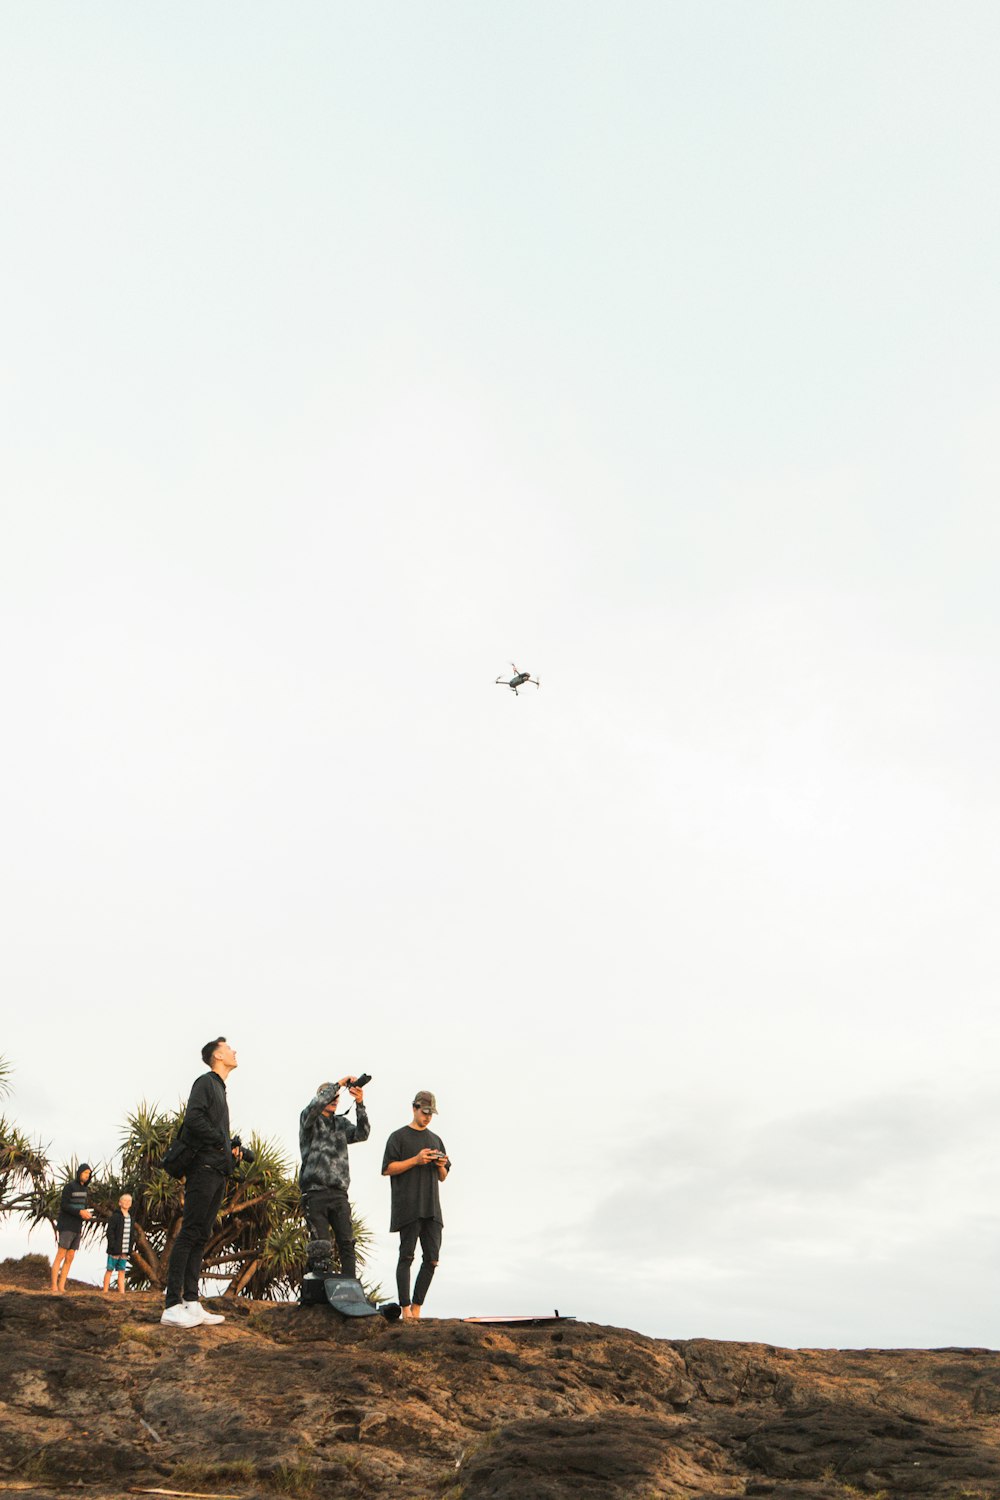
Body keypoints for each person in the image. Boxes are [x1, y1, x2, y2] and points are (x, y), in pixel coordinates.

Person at [161, 1037, 242, 1329]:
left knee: (201, 1234)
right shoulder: (205, 1083)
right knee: (189, 1232)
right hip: (203, 1168)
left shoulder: (220, 1088)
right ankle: (172, 1305)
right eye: (229, 1047)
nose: (235, 1050)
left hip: (217, 1170)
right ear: (218, 1055)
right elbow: (193, 1119)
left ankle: (191, 1303)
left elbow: (208, 1126)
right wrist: (220, 1141)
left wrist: (231, 1148)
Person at [381, 1090, 450, 1321]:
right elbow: (387, 1169)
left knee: (432, 1258)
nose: (428, 1117)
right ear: (414, 1108)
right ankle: (406, 1309)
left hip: (432, 1208)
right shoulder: (398, 1137)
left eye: (431, 1113)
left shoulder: (436, 1139)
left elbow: (443, 1176)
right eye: (424, 1112)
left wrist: (440, 1164)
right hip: (408, 1205)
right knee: (406, 1256)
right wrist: (416, 1160)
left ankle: (418, 1307)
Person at [299, 1076, 369, 1278]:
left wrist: (359, 1103)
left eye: (337, 1096)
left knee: (347, 1243)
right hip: (314, 1192)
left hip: (339, 1193)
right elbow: (316, 1105)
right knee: (320, 1247)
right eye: (331, 1095)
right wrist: (338, 1084)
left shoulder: (341, 1123)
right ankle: (319, 1291)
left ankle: (350, 1288)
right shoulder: (308, 1120)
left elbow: (362, 1134)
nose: (335, 1098)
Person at [51, 1163, 95, 1293]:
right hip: (66, 1224)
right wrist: (79, 1212)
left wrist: (86, 1213)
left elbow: (81, 1207)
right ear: (79, 1173)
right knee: (61, 1254)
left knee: (70, 1256)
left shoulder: (85, 1190)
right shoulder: (69, 1187)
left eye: (89, 1174)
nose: (87, 1175)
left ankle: (61, 1286)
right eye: (85, 1173)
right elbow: (64, 1205)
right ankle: (53, 1285)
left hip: (77, 1226)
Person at [103, 1192, 134, 1295]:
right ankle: (105, 1291)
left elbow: (131, 1234)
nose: (126, 1202)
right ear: (120, 1203)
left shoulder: (130, 1218)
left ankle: (122, 1292)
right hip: (115, 1249)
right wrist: (112, 1245)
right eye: (124, 1200)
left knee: (122, 1271)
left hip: (125, 1249)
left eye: (129, 1201)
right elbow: (110, 1232)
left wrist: (130, 1247)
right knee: (109, 1269)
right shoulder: (115, 1216)